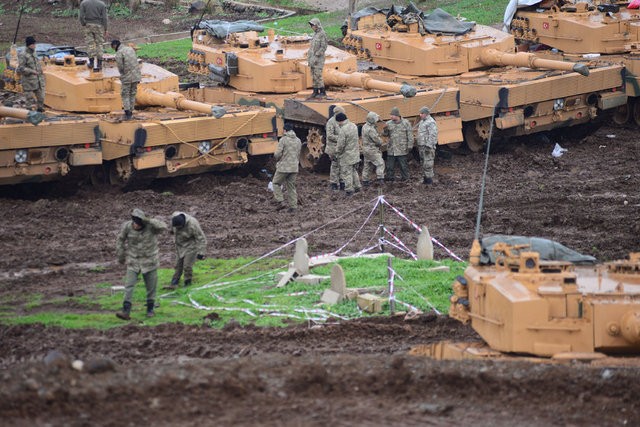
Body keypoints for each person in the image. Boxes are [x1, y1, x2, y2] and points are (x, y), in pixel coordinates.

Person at [115, 208, 167, 320]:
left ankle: (150, 309)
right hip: (133, 261)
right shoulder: (127, 227)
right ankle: (126, 311)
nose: (136, 226)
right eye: (135, 223)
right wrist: (121, 255)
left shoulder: (151, 227)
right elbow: (120, 240)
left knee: (151, 287)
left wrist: (148, 220)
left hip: (150, 262)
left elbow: (163, 227)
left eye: (139, 224)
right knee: (129, 285)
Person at [168, 212, 207, 289]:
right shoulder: (174, 217)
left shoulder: (193, 224)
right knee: (178, 265)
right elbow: (172, 228)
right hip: (180, 246)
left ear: (183, 225)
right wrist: (171, 230)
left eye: (179, 227)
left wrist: (201, 252)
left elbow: (201, 238)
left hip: (191, 246)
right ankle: (175, 281)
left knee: (187, 266)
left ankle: (187, 282)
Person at [272, 122, 302, 212]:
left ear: (285, 130)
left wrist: (276, 159)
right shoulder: (298, 140)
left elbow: (277, 154)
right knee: (291, 187)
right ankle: (293, 206)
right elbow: (298, 153)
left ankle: (281, 201)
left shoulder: (283, 140)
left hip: (283, 167)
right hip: (294, 167)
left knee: (275, 183)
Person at [111, 39, 141, 121]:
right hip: (136, 76)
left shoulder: (119, 53)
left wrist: (123, 74)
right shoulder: (130, 49)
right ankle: (131, 110)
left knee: (125, 94)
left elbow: (120, 67)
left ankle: (127, 113)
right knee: (132, 93)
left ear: (114, 46)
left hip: (127, 77)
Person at [383, 106, 414, 182]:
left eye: (392, 115)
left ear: (397, 115)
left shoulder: (406, 123)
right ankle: (390, 178)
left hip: (402, 149)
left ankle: (405, 178)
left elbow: (410, 135)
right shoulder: (388, 123)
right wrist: (385, 129)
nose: (391, 116)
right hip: (392, 149)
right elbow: (385, 134)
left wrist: (410, 145)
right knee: (390, 166)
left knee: (403, 165)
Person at [335, 112, 361, 196]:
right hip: (355, 153)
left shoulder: (343, 129)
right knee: (354, 171)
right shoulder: (354, 126)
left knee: (347, 172)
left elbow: (341, 144)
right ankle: (357, 187)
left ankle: (349, 190)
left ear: (340, 121)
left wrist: (337, 153)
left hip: (346, 155)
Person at [17, 36, 45, 113]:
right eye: (33, 44)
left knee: (41, 97)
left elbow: (37, 64)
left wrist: (41, 73)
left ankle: (40, 110)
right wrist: (32, 71)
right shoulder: (23, 55)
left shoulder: (34, 53)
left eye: (34, 44)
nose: (34, 45)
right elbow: (21, 68)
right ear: (29, 45)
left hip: (38, 80)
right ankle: (28, 114)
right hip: (28, 81)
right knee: (29, 98)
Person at [79, 0, 108, 71]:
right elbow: (104, 18)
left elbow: (81, 16)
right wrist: (105, 28)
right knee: (99, 44)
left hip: (88, 25)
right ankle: (99, 63)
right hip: (99, 26)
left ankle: (91, 62)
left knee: (90, 44)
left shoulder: (84, 3)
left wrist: (83, 23)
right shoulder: (101, 4)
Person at [361, 111, 385, 187]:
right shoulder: (370, 129)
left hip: (366, 149)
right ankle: (380, 179)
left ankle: (365, 181)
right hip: (372, 150)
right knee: (380, 163)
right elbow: (376, 140)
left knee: (367, 165)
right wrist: (381, 141)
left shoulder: (364, 126)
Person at [325, 105, 345, 190]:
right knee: (335, 165)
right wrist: (341, 138)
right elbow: (329, 135)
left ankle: (342, 182)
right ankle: (333, 183)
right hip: (333, 147)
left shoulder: (341, 120)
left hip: (340, 147)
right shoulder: (331, 122)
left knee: (342, 165)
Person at [416, 106, 438, 185]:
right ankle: (425, 178)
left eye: (422, 113)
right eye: (420, 113)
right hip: (422, 146)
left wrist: (429, 146)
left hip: (427, 146)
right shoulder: (422, 121)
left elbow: (433, 135)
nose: (420, 115)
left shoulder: (431, 122)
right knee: (423, 162)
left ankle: (429, 180)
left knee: (428, 163)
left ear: (426, 114)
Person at [307, 17, 328, 99]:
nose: (311, 27)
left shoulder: (322, 34)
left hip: (318, 59)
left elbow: (323, 47)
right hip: (312, 58)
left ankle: (322, 92)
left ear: (317, 25)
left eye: (312, 25)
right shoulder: (315, 34)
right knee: (313, 75)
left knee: (318, 75)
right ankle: (315, 91)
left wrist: (317, 55)